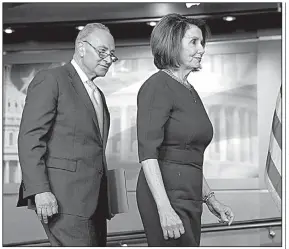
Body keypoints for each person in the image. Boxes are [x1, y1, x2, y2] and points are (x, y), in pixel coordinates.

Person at [136, 13, 234, 247]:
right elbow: (147, 153)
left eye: (202, 43)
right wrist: (164, 208)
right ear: (171, 43)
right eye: (193, 42)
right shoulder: (157, 85)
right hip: (166, 196)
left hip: (190, 194)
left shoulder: (189, 89)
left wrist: (210, 199)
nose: (201, 49)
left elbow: (189, 156)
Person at [17, 23, 118, 246]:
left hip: (96, 203)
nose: (109, 59)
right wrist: (40, 190)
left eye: (112, 54)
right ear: (82, 48)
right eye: (103, 51)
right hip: (63, 200)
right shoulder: (52, 79)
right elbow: (30, 138)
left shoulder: (97, 93)